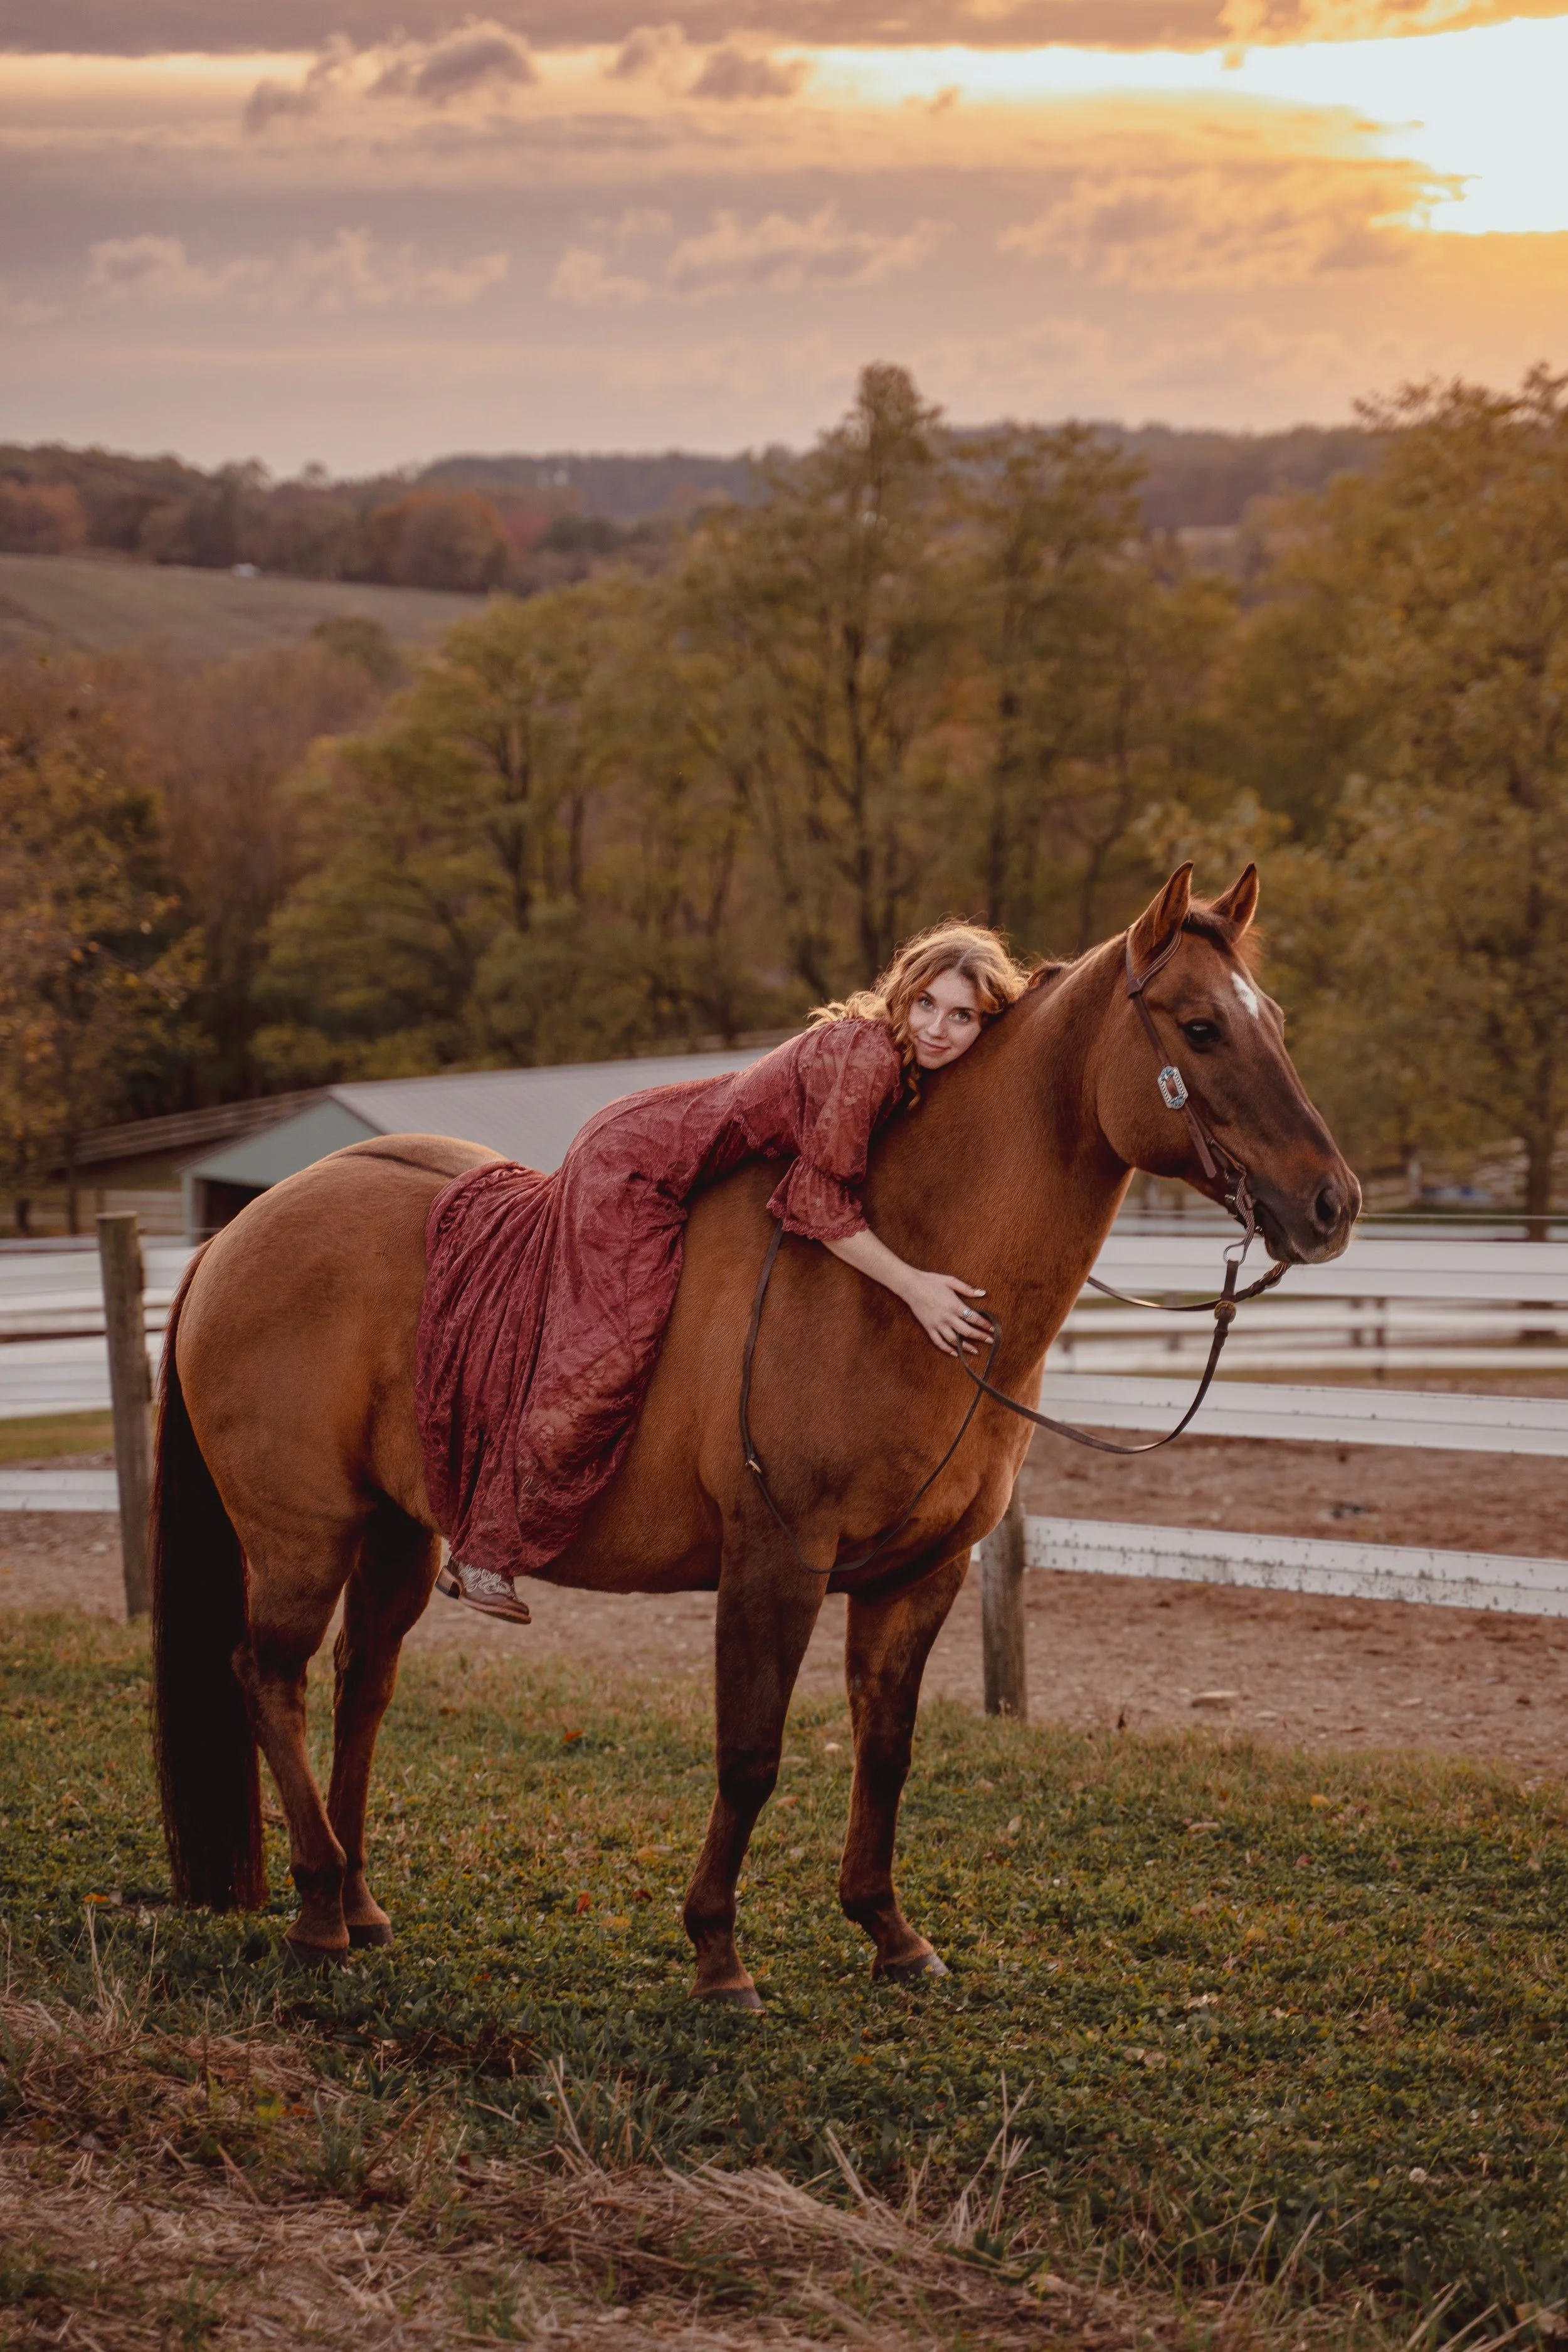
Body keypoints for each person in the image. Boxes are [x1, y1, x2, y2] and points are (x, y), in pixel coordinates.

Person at [422, 922, 1035, 1623]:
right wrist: (917, 1288)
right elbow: (813, 1198)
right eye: (926, 1003)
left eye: (963, 1017)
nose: (937, 1028)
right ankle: (483, 1552)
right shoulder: (871, 1058)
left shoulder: (907, 1065)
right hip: (636, 1168)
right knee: (609, 1354)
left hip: (671, 1156)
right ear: (903, 994)